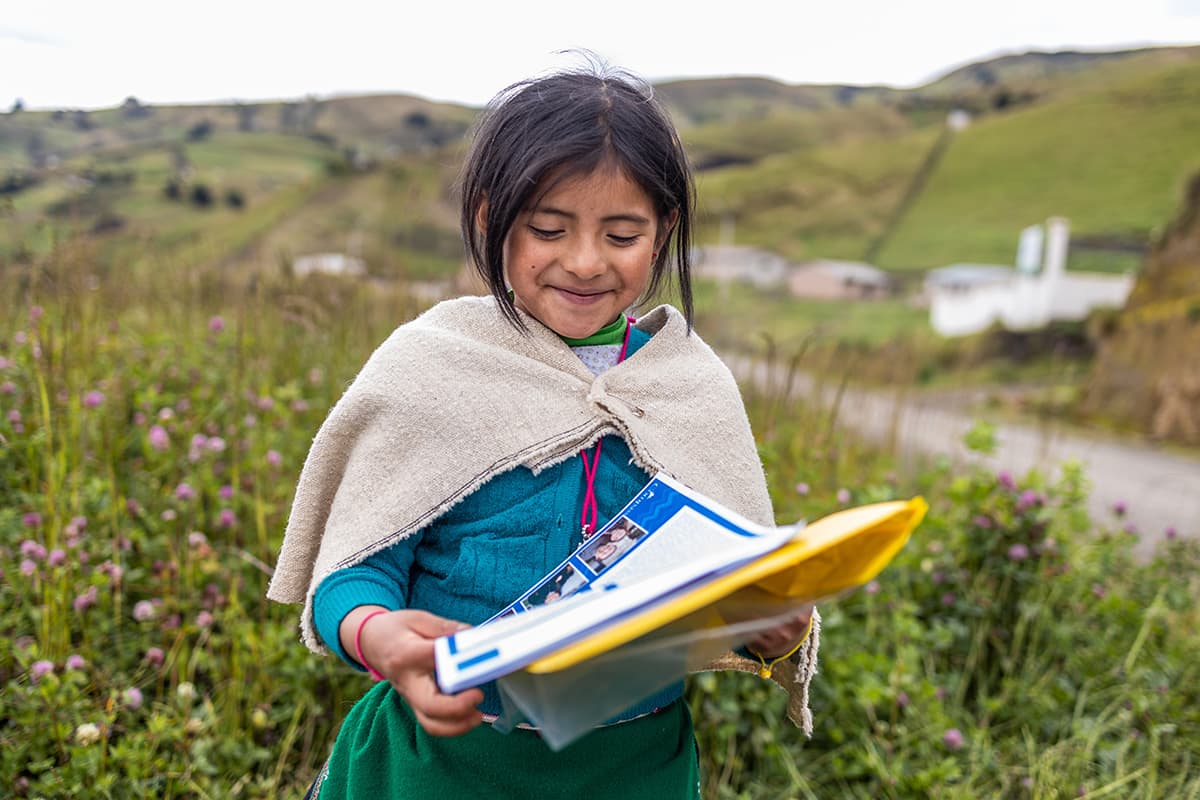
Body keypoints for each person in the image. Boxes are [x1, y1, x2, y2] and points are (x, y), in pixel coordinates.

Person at [268, 60, 819, 800]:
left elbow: (725, 588)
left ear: (664, 233)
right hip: (436, 772)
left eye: (622, 233)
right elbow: (355, 571)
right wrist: (378, 634)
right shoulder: (433, 367)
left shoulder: (689, 384)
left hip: (633, 774)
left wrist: (768, 624)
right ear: (493, 221)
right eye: (549, 229)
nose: (585, 262)